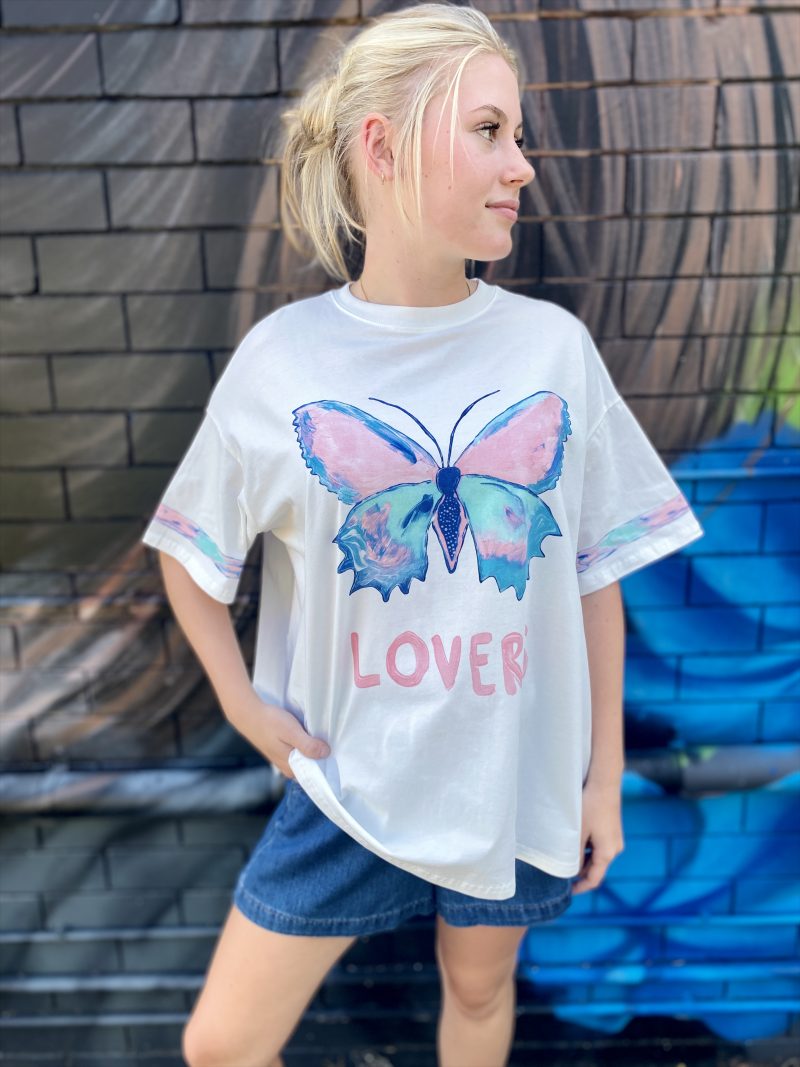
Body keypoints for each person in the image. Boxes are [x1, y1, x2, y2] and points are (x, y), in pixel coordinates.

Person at [140, 3, 705, 1065]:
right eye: (488, 131)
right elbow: (188, 550)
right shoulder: (283, 362)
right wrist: (244, 705)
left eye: (518, 136)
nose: (521, 166)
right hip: (345, 787)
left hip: (511, 779)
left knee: (478, 990)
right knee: (222, 1042)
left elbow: (594, 569)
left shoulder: (551, 350)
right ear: (383, 145)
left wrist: (600, 779)